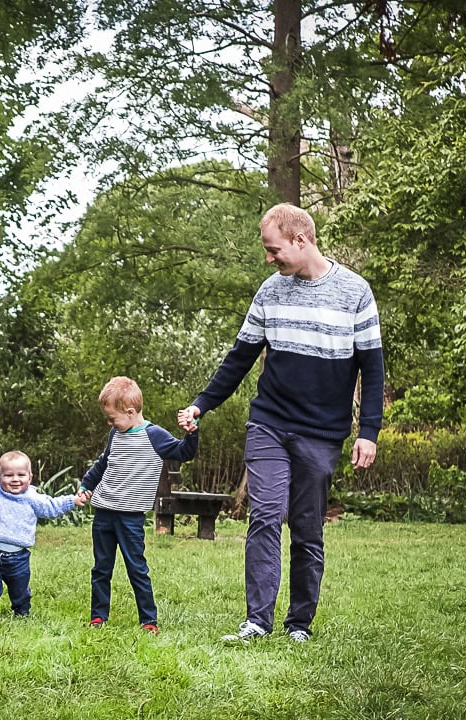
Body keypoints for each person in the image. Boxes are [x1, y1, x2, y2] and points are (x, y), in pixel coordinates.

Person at [177, 203, 384, 644]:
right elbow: (240, 357)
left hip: (322, 433)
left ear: (300, 240)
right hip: (269, 422)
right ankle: (256, 621)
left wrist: (368, 432)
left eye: (274, 250)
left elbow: (372, 367)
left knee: (307, 528)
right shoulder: (270, 291)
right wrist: (201, 405)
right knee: (266, 515)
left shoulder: (355, 292)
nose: (269, 258)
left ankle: (299, 625)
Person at [79, 376, 199, 634]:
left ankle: (148, 620)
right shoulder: (115, 434)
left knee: (137, 569)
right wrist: (86, 485)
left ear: (131, 412)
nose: (109, 423)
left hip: (130, 518)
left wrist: (192, 433)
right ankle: (98, 616)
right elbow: (102, 464)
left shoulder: (154, 436)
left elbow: (184, 452)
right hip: (104, 513)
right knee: (101, 568)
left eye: (112, 418)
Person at [0, 450, 88, 617]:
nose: (15, 479)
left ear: (30, 477)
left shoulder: (32, 497)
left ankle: (22, 613)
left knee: (20, 592)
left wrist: (73, 500)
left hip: (18, 559)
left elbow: (52, 506)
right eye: (8, 475)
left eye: (21, 475)